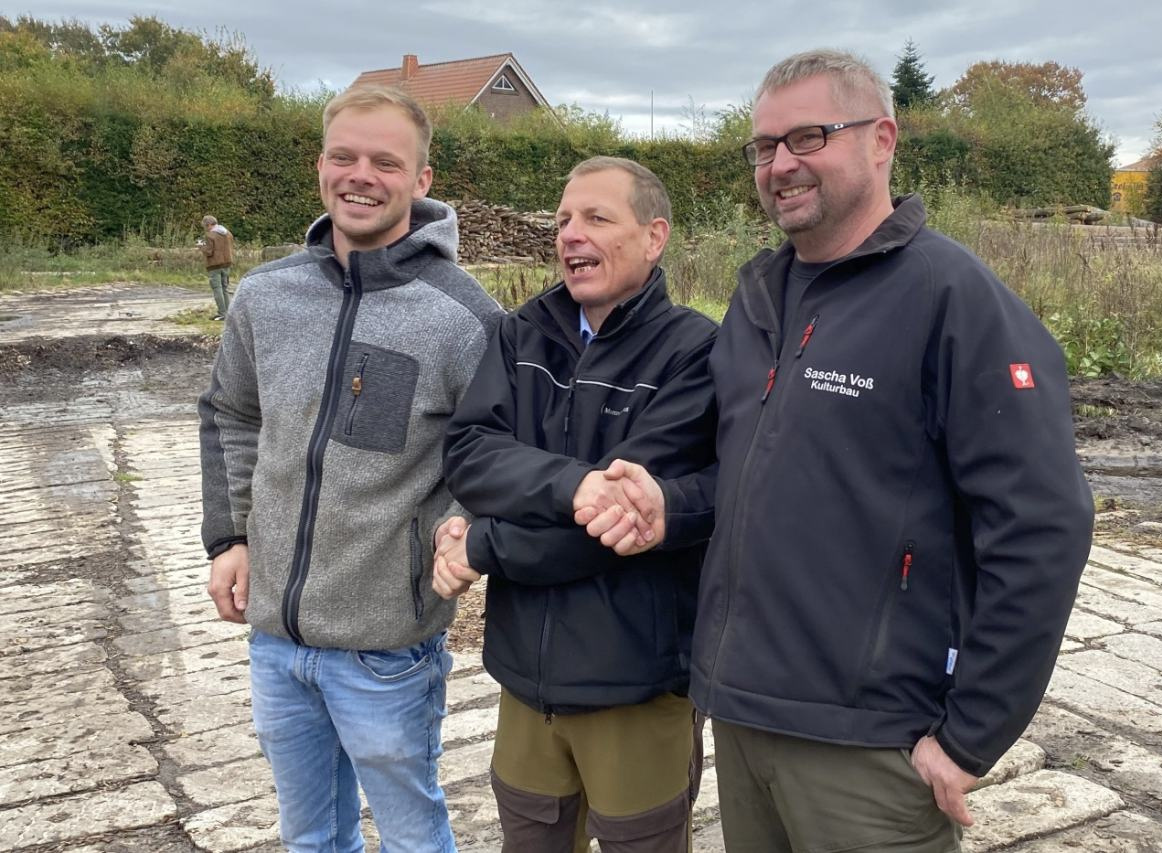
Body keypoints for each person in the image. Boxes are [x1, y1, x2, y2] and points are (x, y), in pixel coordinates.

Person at [578, 49, 1094, 852]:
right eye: (764, 146)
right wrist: (669, 506)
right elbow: (750, 475)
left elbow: (1043, 524)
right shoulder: (758, 298)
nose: (780, 164)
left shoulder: (953, 300)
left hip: (868, 746)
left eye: (808, 137)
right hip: (742, 717)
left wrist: (972, 734)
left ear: (881, 140)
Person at [197, 85, 502, 853]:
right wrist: (230, 537)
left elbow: (497, 450)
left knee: (412, 838)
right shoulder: (265, 296)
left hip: (386, 646)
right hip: (276, 635)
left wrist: (460, 525)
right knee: (309, 837)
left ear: (421, 180)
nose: (361, 175)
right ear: (320, 165)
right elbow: (231, 413)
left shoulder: (466, 317)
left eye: (385, 162)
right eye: (345, 156)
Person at [432, 156, 718, 853]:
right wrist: (574, 486)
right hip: (524, 683)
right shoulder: (518, 333)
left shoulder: (694, 351)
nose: (570, 234)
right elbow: (470, 453)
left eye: (596, 217)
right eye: (564, 219)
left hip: (636, 685)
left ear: (654, 237)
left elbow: (620, 524)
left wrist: (482, 544)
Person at [199, 215, 234, 320]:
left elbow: (209, 252)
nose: (205, 229)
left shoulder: (210, 235)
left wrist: (201, 246)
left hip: (215, 265)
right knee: (225, 289)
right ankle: (228, 313)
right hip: (227, 263)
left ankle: (222, 313)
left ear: (209, 225)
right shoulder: (228, 233)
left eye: (205, 226)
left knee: (217, 289)